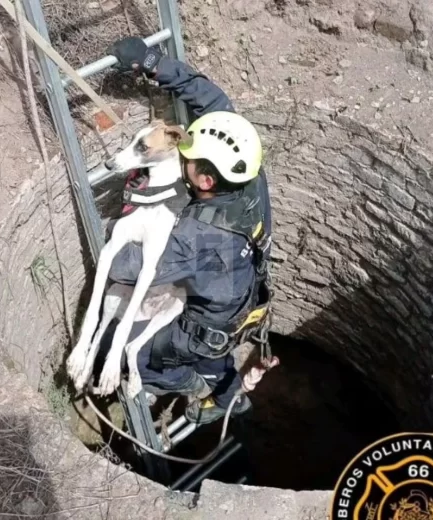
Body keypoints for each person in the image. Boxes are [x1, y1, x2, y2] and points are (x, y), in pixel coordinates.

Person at [104, 37, 273, 425]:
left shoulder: (199, 236)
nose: (183, 155)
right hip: (245, 296)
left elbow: (126, 266)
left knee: (139, 354)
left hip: (206, 327)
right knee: (220, 360)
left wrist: (123, 220)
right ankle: (232, 397)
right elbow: (214, 104)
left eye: (189, 158)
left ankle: (193, 387)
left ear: (208, 181)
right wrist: (153, 62)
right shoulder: (246, 170)